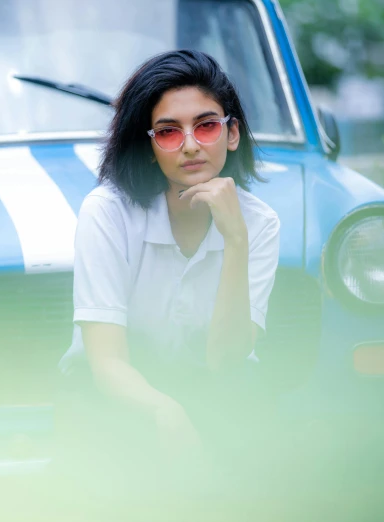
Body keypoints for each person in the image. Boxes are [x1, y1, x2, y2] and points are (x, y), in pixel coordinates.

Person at [57, 50, 281, 485]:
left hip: (213, 387)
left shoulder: (258, 222)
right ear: (149, 145)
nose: (192, 145)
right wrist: (166, 411)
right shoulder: (107, 212)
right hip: (111, 396)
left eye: (207, 125)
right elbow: (106, 363)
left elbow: (227, 359)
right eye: (168, 132)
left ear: (232, 133)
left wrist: (235, 240)